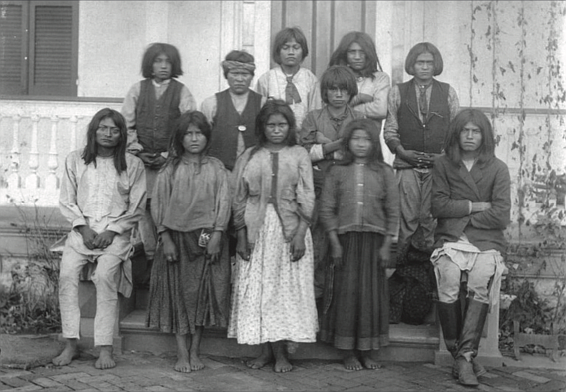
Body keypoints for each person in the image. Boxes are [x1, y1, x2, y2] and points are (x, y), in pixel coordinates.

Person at [228, 100, 318, 373]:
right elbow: (239, 198)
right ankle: (264, 352)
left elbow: (307, 195)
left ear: (290, 127)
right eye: (271, 125)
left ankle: (282, 355)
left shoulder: (299, 153)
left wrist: (301, 233)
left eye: (282, 125)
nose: (276, 130)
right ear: (262, 127)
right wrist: (242, 235)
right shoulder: (250, 155)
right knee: (260, 292)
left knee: (283, 292)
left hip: (289, 231)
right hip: (257, 230)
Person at [53, 108, 146, 369]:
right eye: (103, 128)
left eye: (114, 130)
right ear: (94, 131)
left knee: (105, 275)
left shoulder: (132, 164)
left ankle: (105, 347)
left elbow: (136, 207)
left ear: (121, 134)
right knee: (67, 274)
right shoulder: (76, 160)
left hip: (115, 234)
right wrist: (82, 228)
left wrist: (112, 231)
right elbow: (66, 200)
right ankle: (70, 342)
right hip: (82, 232)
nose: (108, 134)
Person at [146, 111, 231, 373]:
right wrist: (165, 237)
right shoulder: (170, 169)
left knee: (201, 295)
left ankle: (196, 350)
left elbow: (223, 202)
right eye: (188, 134)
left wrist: (216, 234)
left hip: (206, 237)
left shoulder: (216, 167)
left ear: (207, 137)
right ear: (180, 138)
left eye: (199, 133)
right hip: (177, 239)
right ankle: (181, 352)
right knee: (179, 295)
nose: (194, 139)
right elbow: (158, 205)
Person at [431, 109, 510, 386]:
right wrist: (475, 206)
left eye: (476, 131)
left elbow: (501, 215)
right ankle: (462, 355)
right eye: (465, 130)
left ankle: (463, 357)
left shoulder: (498, 168)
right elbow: (438, 206)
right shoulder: (443, 164)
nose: (470, 136)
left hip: (486, 241)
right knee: (449, 278)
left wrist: (460, 213)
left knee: (480, 280)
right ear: (456, 133)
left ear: (484, 135)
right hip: (451, 238)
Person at [319, 118, 399, 371]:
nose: (361, 144)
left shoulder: (384, 172)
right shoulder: (337, 171)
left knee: (370, 298)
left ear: (374, 143)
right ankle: (347, 352)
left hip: (375, 244)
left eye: (366, 139)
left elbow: (393, 211)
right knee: (347, 296)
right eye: (356, 139)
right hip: (345, 242)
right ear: (347, 142)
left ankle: (366, 351)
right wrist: (334, 242)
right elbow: (327, 209)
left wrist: (387, 245)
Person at [121, 42, 197, 285]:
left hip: (170, 163)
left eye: (168, 62)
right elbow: (126, 125)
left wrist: (170, 154)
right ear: (150, 64)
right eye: (158, 61)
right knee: (145, 210)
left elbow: (188, 125)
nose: (163, 66)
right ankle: (153, 260)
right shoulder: (137, 90)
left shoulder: (181, 91)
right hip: (142, 163)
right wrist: (137, 150)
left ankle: (171, 259)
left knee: (168, 208)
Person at [383, 42, 459, 255]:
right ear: (411, 65)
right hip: (407, 167)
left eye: (429, 63)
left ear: (436, 65)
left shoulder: (448, 93)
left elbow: (456, 131)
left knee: (430, 218)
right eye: (420, 62)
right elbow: (390, 129)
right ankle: (404, 271)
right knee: (407, 218)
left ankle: (430, 271)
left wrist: (443, 158)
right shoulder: (397, 92)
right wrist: (402, 152)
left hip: (438, 168)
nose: (425, 67)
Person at [300, 65, 364, 299]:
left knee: (346, 249)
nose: (338, 94)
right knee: (317, 246)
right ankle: (313, 304)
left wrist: (324, 145)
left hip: (350, 191)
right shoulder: (312, 117)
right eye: (333, 89)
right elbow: (304, 152)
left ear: (351, 92)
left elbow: (361, 152)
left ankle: (340, 306)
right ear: (325, 92)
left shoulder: (359, 118)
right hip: (319, 190)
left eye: (343, 90)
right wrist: (339, 144)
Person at [201, 50, 266, 172]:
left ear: (252, 76)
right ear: (226, 75)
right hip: (220, 171)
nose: (239, 79)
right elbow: (203, 139)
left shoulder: (263, 104)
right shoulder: (211, 103)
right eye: (234, 74)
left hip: (254, 171)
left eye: (245, 74)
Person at [255, 27, 321, 132]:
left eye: (296, 47)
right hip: (275, 136)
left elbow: (316, 111)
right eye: (285, 48)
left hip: (303, 137)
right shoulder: (266, 80)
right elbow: (260, 112)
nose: (291, 52)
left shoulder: (310, 79)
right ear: (278, 51)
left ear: (303, 51)